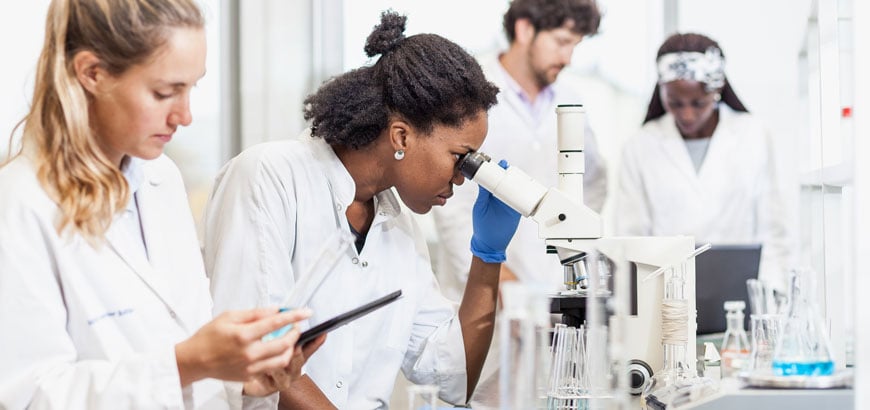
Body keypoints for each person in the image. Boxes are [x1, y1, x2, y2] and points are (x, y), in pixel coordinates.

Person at [0, 1, 322, 409]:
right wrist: (188, 363)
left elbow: (177, 345)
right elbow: (27, 398)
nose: (185, 115)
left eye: (192, 88)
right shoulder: (20, 205)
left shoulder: (161, 179)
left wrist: (239, 378)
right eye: (165, 92)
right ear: (92, 73)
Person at [201, 11, 520, 409]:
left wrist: (487, 258)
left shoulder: (398, 226)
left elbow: (453, 380)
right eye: (459, 157)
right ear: (401, 135)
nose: (462, 178)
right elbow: (259, 360)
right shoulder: (269, 177)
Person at [431, 0, 607, 300]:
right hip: (481, 283)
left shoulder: (570, 100)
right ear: (525, 29)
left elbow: (592, 183)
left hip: (550, 282)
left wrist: (572, 245)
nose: (568, 58)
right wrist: (497, 274)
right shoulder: (470, 92)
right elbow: (450, 201)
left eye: (574, 46)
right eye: (562, 42)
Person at [615, 33, 793, 290]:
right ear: (661, 91)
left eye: (698, 103)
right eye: (675, 103)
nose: (687, 114)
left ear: (717, 89)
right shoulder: (640, 146)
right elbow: (630, 236)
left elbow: (775, 228)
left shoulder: (753, 135)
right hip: (665, 296)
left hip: (742, 294)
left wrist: (772, 296)